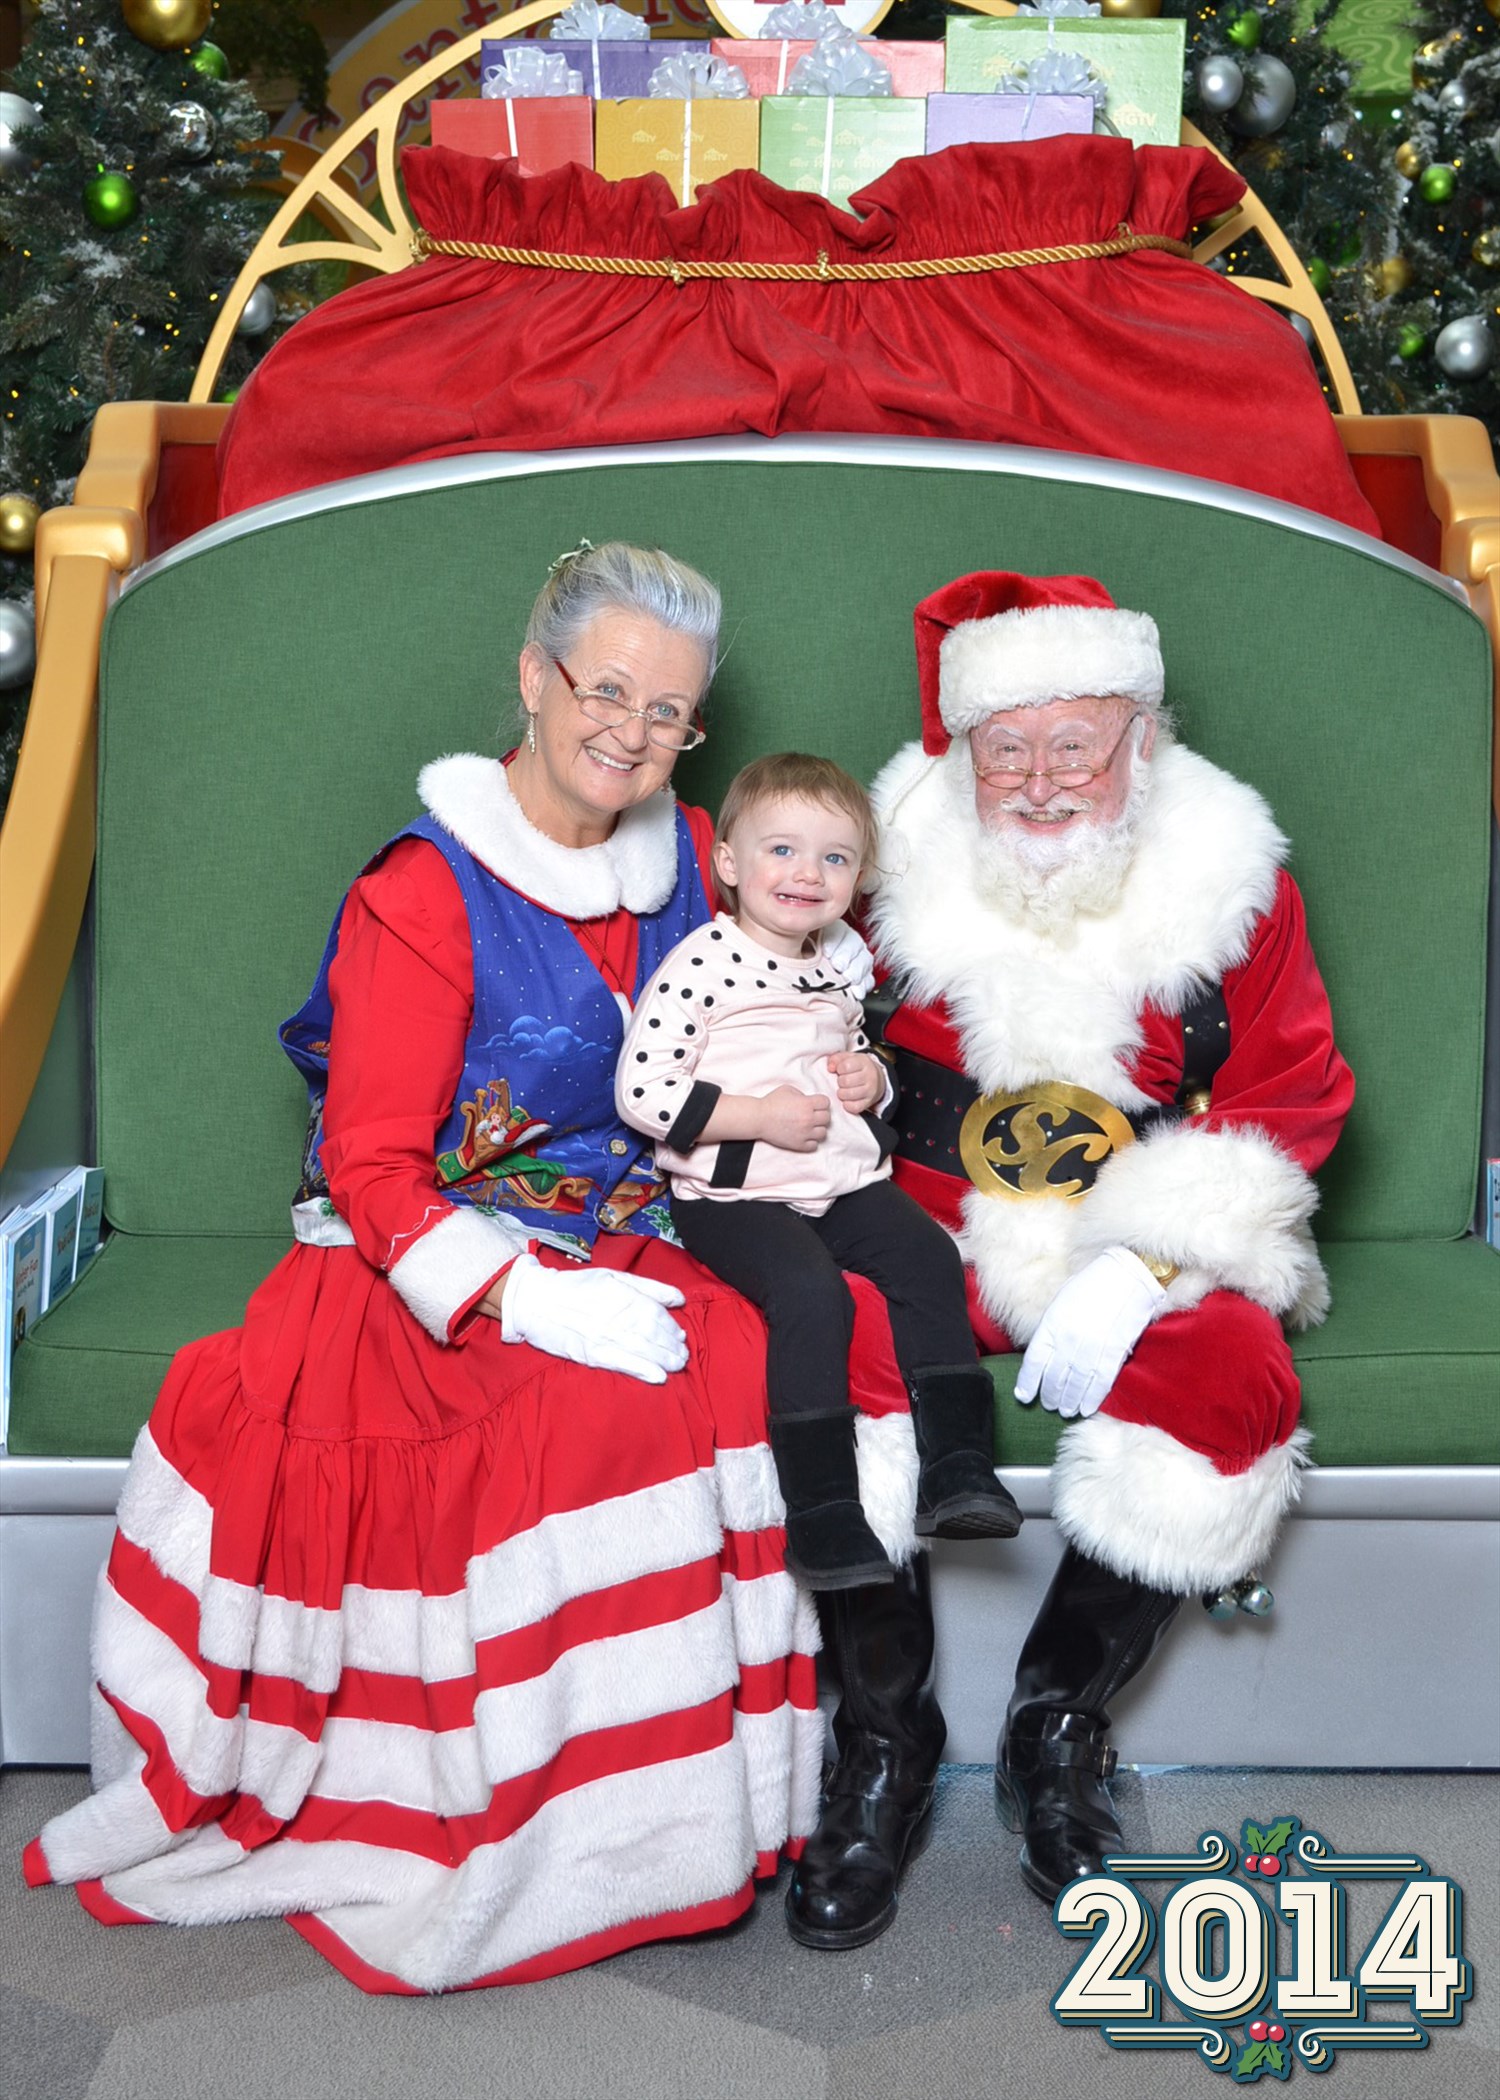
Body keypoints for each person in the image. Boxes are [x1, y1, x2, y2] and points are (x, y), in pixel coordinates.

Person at [25, 541, 831, 1994]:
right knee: (587, 1423)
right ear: (534, 680)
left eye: (672, 713)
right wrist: (525, 1297)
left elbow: (808, 994)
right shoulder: (423, 890)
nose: (633, 733)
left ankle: (710, 1826)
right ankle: (542, 1833)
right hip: (421, 1256)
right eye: (607, 691)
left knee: (753, 1356)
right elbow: (371, 1168)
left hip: (635, 1221)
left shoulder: (699, 856)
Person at [785, 568, 1354, 1947]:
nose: (1042, 783)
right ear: (964, 750)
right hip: (911, 1203)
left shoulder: (1231, 880)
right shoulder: (880, 855)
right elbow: (771, 1005)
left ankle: (1058, 1732)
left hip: (1131, 1216)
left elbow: (1293, 1088)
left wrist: (1152, 1260)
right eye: (1010, 748)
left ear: (1141, 743)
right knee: (819, 1352)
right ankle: (884, 1741)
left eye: (1077, 747)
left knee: (1234, 1382)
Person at [617, 754, 1022, 1593]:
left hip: (835, 1180)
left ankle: (956, 1466)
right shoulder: (702, 964)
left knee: (927, 1258)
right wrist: (754, 1115)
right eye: (782, 852)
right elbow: (642, 1090)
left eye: (835, 859)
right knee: (812, 1294)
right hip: (733, 1193)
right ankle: (822, 1511)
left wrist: (873, 1079)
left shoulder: (836, 962)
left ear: (857, 877)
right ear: (730, 863)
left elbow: (852, 1054)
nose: (808, 875)